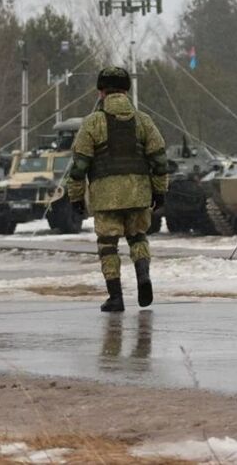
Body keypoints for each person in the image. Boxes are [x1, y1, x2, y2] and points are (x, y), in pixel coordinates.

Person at [67, 67, 169, 312]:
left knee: (108, 245)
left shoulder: (92, 123)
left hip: (105, 196)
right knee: (138, 238)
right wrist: (159, 190)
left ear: (101, 92)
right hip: (138, 193)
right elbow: (159, 159)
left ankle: (115, 297)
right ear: (126, 91)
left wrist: (76, 196)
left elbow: (79, 165)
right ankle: (143, 276)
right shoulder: (143, 120)